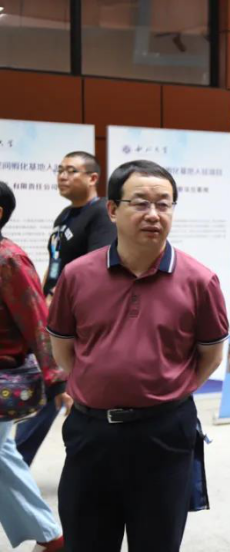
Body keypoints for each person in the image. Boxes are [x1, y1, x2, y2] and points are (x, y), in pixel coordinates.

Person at [47, 160, 229, 552]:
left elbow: (210, 356)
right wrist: (95, 383)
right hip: (91, 432)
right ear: (113, 209)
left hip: (163, 434)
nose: (153, 214)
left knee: (157, 542)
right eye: (141, 203)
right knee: (86, 541)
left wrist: (166, 390)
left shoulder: (199, 280)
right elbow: (63, 346)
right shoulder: (78, 275)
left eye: (164, 204)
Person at [15, 151, 116, 466]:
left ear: (93, 178)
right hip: (53, 317)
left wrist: (55, 301)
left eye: (71, 170)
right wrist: (39, 298)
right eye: (59, 170)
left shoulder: (100, 214)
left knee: (57, 388)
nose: (62, 176)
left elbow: (94, 268)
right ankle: (17, 463)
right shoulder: (63, 216)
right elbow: (56, 263)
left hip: (76, 322)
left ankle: (15, 464)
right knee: (54, 389)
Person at [0, 181, 68, 552]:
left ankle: (50, 535)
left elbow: (37, 321)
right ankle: (49, 535)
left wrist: (57, 379)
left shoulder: (9, 259)